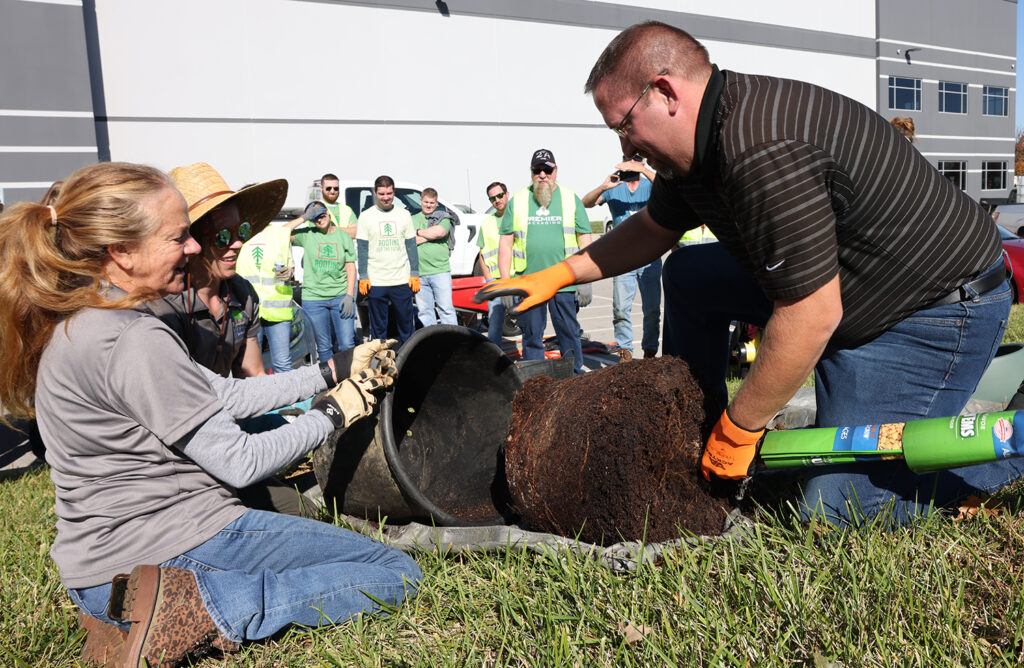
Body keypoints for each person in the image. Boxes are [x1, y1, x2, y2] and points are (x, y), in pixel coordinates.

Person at [477, 20, 1024, 527]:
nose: (624, 146)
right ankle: (694, 424)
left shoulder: (760, 147)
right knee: (691, 272)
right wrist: (560, 274)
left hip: (928, 313)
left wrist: (742, 430)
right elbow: (654, 228)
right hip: (846, 292)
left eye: (624, 124)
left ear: (666, 93)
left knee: (836, 514)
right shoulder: (697, 146)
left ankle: (1000, 460)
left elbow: (811, 314)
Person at [0, 162, 419, 666]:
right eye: (180, 237)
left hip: (103, 565)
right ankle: (205, 607)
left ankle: (136, 607)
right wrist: (333, 413)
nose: (196, 246)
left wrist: (333, 369)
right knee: (394, 572)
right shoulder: (135, 337)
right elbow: (240, 463)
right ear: (122, 251)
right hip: (172, 540)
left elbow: (228, 396)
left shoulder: (93, 320)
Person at [146, 162, 272, 379]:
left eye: (241, 231)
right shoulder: (162, 303)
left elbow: (253, 373)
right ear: (191, 240)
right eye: (222, 236)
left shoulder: (243, 294)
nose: (237, 244)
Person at [494, 149, 592, 374]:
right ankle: (536, 385)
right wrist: (506, 284)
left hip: (564, 281)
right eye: (537, 170)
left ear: (555, 171)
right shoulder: (518, 200)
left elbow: (585, 238)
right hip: (530, 282)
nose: (542, 174)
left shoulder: (570, 198)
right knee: (531, 336)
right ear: (531, 172)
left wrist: (587, 277)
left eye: (547, 170)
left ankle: (574, 380)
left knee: (569, 333)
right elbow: (505, 243)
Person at [582, 156, 661, 361]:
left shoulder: (649, 185)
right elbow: (586, 203)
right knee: (620, 309)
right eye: (628, 160)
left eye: (635, 159)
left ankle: (650, 352)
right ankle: (625, 352)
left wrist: (643, 170)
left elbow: (669, 188)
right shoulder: (615, 187)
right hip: (623, 259)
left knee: (652, 310)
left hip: (650, 257)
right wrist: (603, 186)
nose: (631, 163)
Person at [285, 201, 358, 359]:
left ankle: (350, 380)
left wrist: (350, 296)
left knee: (346, 344)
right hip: (314, 299)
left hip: (340, 296)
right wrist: (304, 218)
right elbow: (281, 233)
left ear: (328, 213)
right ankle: (331, 382)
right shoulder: (307, 234)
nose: (319, 219)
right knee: (324, 347)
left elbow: (351, 267)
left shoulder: (343, 236)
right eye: (314, 217)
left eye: (321, 214)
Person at [356, 175, 420, 343]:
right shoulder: (366, 216)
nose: (386, 197)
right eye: (382, 194)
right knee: (378, 328)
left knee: (406, 325)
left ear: (394, 192)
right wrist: (363, 276)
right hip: (377, 280)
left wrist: (414, 273)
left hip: (401, 279)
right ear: (375, 193)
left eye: (389, 193)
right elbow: (362, 248)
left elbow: (411, 246)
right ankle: (380, 361)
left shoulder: (404, 215)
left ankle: (408, 358)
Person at [237, 217, 295, 375]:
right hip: (249, 311)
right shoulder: (240, 234)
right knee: (251, 367)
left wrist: (289, 272)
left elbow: (290, 265)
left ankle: (288, 400)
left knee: (282, 364)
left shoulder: (280, 234)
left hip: (278, 311)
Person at [412, 187, 457, 326]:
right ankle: (432, 343)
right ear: (420, 201)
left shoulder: (443, 217)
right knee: (425, 312)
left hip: (440, 271)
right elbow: (409, 240)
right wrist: (430, 235)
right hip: (419, 273)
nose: (428, 205)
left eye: (432, 203)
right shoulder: (412, 219)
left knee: (447, 310)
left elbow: (440, 232)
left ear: (436, 203)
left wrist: (419, 233)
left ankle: (453, 342)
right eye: (426, 202)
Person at [477, 181, 510, 345]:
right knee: (495, 325)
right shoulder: (487, 223)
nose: (497, 200)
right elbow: (482, 253)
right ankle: (495, 360)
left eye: (499, 195)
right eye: (492, 199)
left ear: (507, 194)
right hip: (495, 282)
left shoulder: (519, 219)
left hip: (517, 279)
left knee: (527, 324)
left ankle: (530, 359)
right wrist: (488, 278)